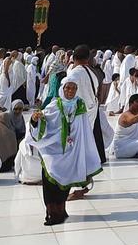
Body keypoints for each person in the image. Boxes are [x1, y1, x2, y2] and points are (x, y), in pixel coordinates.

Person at [30, 80, 100, 226]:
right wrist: (35, 119)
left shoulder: (79, 105)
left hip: (72, 149)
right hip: (53, 148)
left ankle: (61, 210)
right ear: (63, 89)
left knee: (66, 178)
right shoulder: (55, 104)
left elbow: (84, 128)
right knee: (50, 177)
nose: (70, 91)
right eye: (68, 88)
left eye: (74, 88)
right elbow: (43, 117)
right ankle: (52, 212)